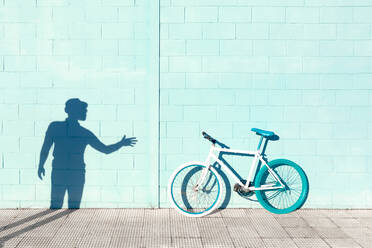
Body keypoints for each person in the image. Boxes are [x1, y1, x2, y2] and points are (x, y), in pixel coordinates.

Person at [37, 98, 137, 208]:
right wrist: (121, 144)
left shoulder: (56, 127)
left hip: (64, 171)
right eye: (83, 110)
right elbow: (105, 149)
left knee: (59, 206)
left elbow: (46, 148)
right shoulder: (82, 132)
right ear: (73, 111)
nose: (85, 112)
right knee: (71, 207)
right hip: (74, 173)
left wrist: (41, 165)